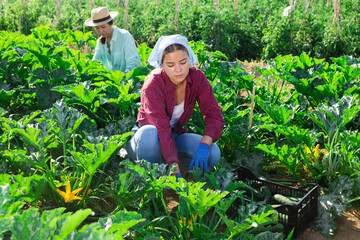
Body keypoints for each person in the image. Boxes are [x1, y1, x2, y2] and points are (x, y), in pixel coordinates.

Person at [125, 34, 225, 179]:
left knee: (213, 152)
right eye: (170, 65)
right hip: (146, 140)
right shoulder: (153, 85)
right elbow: (162, 128)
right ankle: (153, 178)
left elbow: (214, 114)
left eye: (183, 62)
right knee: (149, 135)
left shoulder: (197, 78)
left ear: (189, 60)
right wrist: (174, 168)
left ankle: (173, 166)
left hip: (174, 135)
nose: (178, 69)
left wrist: (204, 145)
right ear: (162, 65)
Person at [84, 7, 141, 72]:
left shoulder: (124, 36)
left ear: (111, 23)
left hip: (129, 80)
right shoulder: (100, 42)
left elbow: (133, 62)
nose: (101, 31)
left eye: (103, 27)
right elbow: (95, 63)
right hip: (110, 81)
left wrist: (124, 78)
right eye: (97, 28)